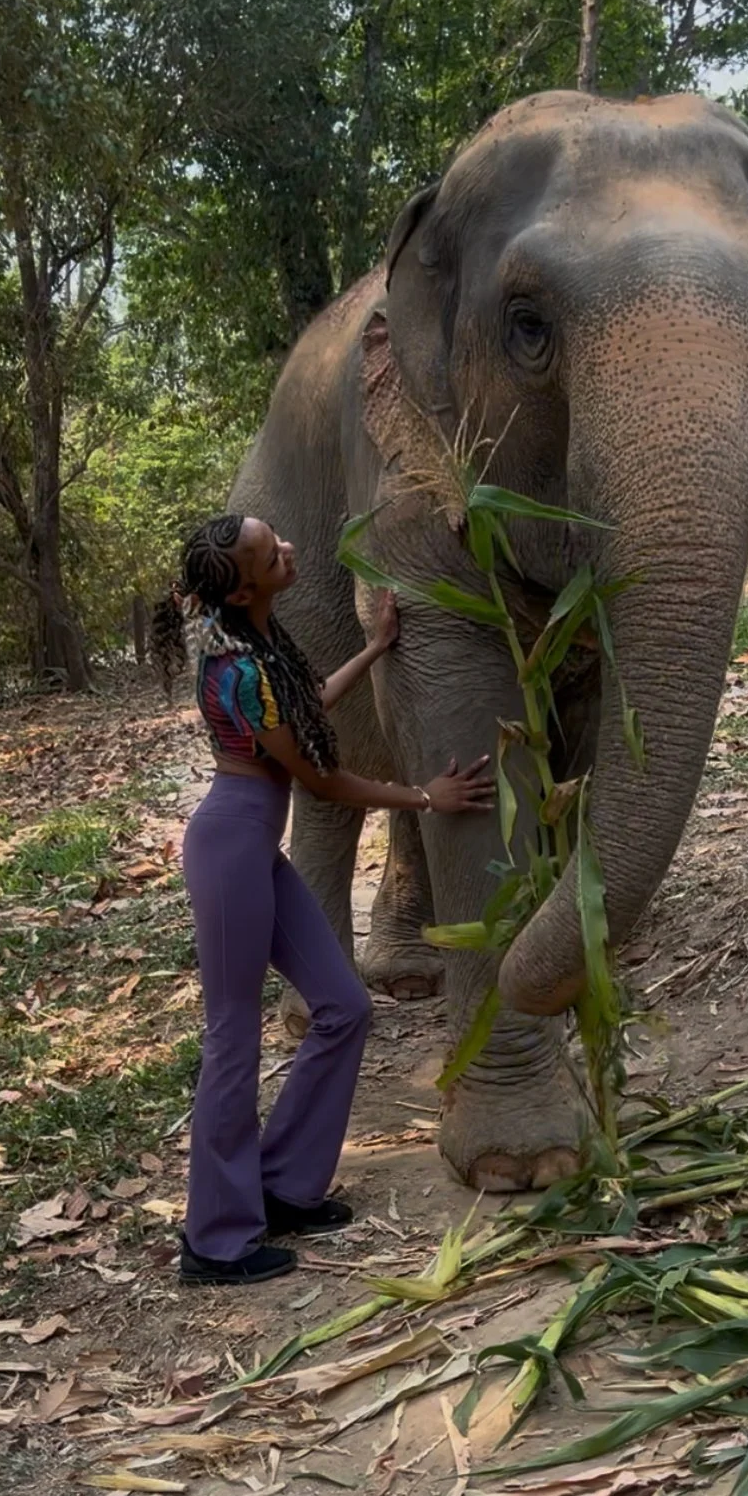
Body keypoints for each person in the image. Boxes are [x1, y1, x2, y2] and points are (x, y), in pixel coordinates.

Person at [154, 511, 495, 1287]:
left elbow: (306, 702)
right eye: (266, 550)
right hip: (232, 850)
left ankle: (281, 1185)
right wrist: (425, 797)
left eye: (277, 533)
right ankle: (215, 1237)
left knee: (344, 1003)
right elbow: (322, 778)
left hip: (252, 849)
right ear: (242, 587)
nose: (286, 546)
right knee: (232, 1038)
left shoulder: (254, 644)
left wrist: (375, 647)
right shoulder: (241, 671)